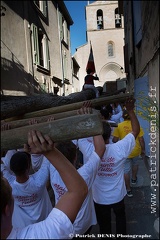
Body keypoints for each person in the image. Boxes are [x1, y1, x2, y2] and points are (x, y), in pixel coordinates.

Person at [1, 130, 88, 239]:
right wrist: (48, 150)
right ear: (7, 209)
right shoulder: (42, 234)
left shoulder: (11, 183)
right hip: (43, 219)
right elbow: (79, 190)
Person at [75, 97, 140, 235]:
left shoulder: (88, 150)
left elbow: (80, 135)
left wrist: (85, 117)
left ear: (93, 137)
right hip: (118, 196)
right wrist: (130, 111)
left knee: (104, 227)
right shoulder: (120, 149)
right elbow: (135, 131)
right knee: (121, 220)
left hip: (99, 199)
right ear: (110, 134)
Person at [49, 102, 106, 236]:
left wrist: (51, 127)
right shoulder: (84, 174)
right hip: (82, 225)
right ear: (76, 156)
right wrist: (90, 119)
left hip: (62, 224)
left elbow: (51, 150)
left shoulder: (52, 167)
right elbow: (100, 149)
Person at [1, 150, 53, 228]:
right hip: (44, 224)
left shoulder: (9, 185)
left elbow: (1, 167)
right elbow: (49, 156)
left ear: (11, 169)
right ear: (28, 167)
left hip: (23, 228)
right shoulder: (39, 181)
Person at [112, 109, 145, 197]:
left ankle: (128, 189)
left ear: (123, 116)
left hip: (125, 151)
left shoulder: (119, 126)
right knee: (135, 164)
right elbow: (141, 139)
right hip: (135, 150)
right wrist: (143, 150)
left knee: (126, 170)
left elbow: (114, 140)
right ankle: (134, 179)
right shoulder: (137, 126)